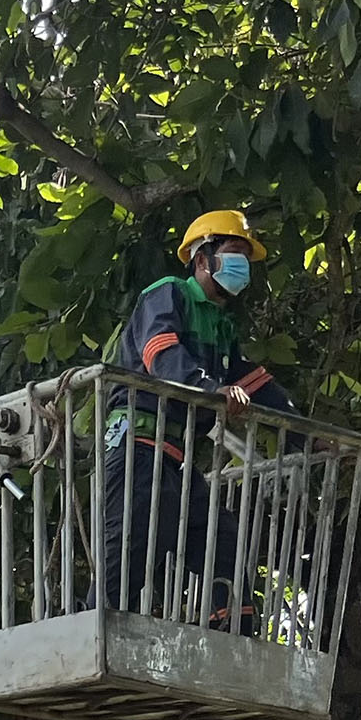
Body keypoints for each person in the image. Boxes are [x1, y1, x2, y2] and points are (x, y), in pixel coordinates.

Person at [102, 209, 294, 619]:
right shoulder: (169, 293)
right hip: (138, 440)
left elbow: (257, 385)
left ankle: (233, 631)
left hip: (176, 455)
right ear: (203, 259)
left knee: (219, 544)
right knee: (132, 547)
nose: (242, 264)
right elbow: (161, 352)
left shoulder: (222, 326)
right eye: (233, 251)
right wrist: (212, 390)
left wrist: (312, 437)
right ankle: (95, 628)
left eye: (246, 255)